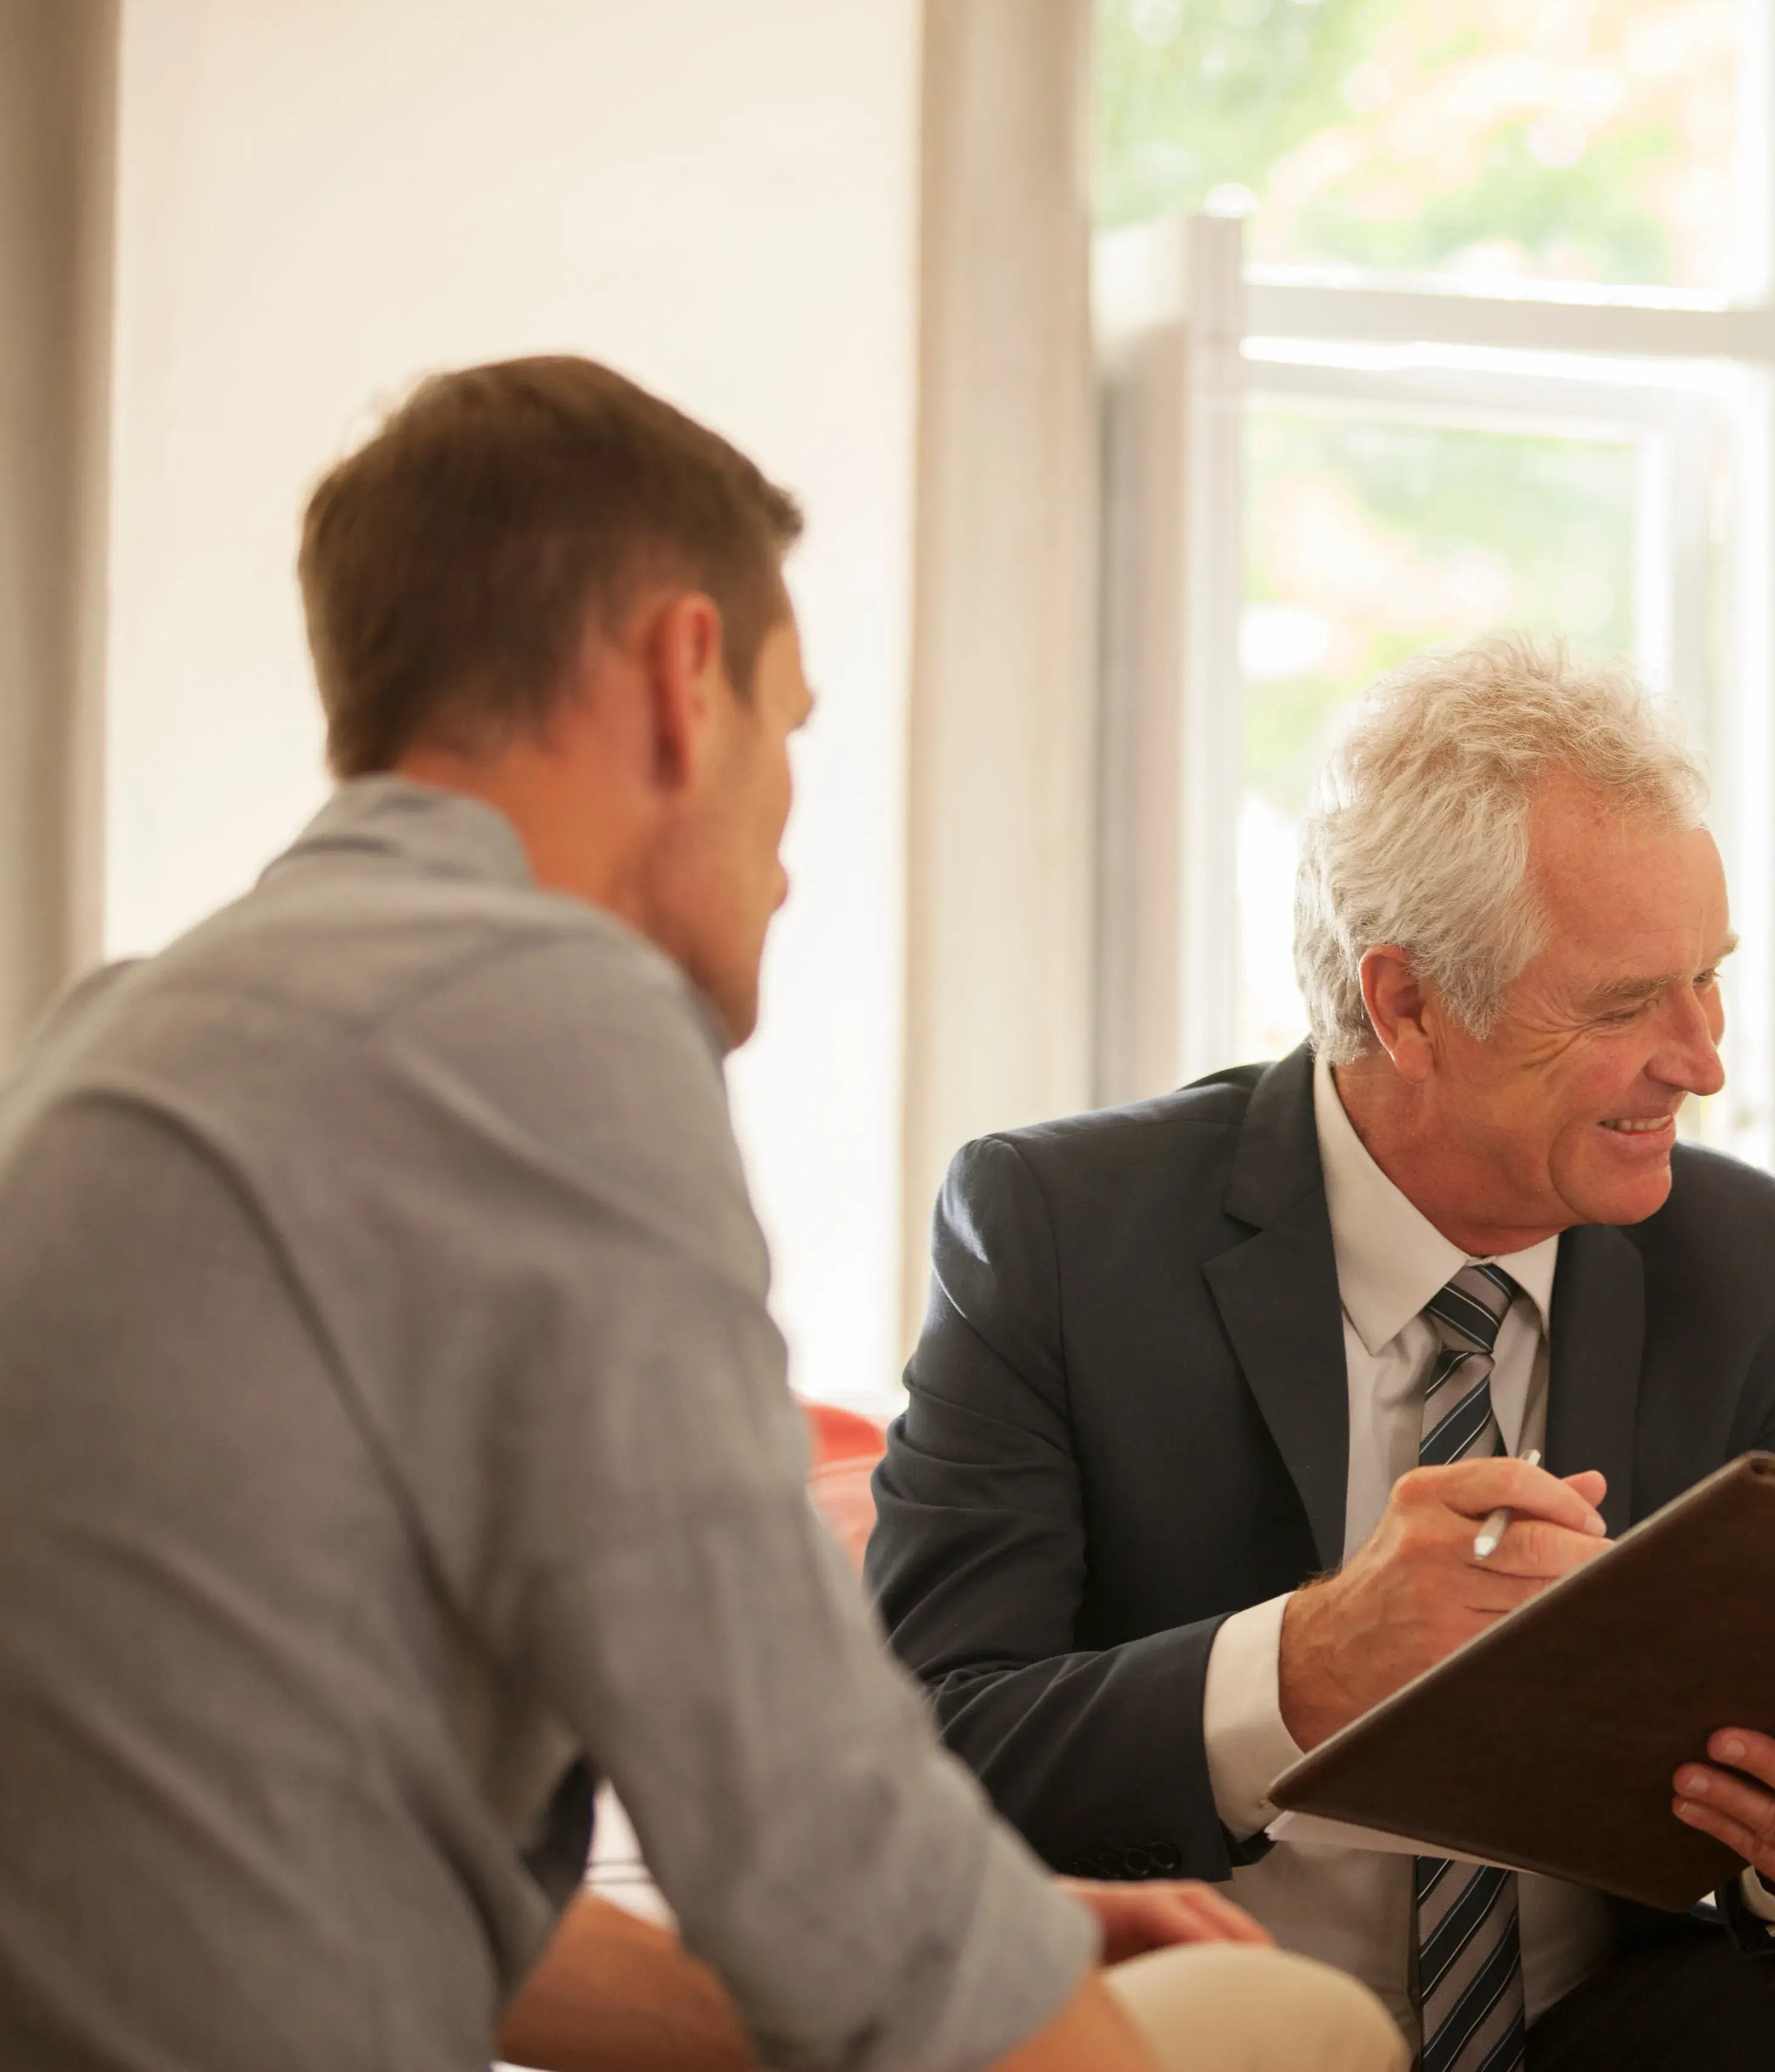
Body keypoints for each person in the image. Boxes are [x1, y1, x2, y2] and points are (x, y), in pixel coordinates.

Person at [0, 357, 1401, 2072]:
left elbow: (420, 1897)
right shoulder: (537, 1011)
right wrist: (1005, 1997)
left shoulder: (125, 1030)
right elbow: (789, 1800)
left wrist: (1001, 1940)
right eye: (788, 727)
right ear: (683, 678)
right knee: (1288, 2022)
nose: (789, 839)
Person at [866, 634, 1775, 2072]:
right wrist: (1303, 1664)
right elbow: (924, 1749)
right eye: (1625, 1004)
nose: (1703, 1058)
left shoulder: (1750, 1264)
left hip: (1591, 2029)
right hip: (1210, 2024)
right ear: (1408, 1006)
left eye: (1708, 979)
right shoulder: (1062, 1230)